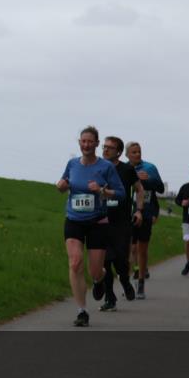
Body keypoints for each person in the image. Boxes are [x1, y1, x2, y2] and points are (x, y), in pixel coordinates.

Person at [55, 126, 125, 327]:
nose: (86, 145)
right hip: (74, 220)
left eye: (90, 142)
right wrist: (60, 186)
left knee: (95, 270)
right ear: (79, 142)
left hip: (97, 223)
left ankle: (100, 278)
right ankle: (82, 311)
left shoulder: (106, 167)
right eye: (83, 141)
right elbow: (65, 183)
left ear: (96, 143)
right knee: (75, 262)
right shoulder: (72, 164)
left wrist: (102, 190)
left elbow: (120, 193)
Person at [97, 136, 144, 310]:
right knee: (105, 262)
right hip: (101, 221)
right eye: (104, 146)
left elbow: (139, 189)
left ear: (118, 152)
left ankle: (124, 280)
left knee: (120, 260)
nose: (105, 150)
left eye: (110, 147)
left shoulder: (127, 169)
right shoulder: (97, 168)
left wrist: (138, 210)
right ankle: (110, 299)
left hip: (122, 222)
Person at [125, 142, 163, 298]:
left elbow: (160, 188)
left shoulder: (149, 167)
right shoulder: (123, 168)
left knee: (141, 249)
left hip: (146, 212)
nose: (137, 154)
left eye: (139, 152)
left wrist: (147, 180)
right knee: (130, 249)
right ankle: (127, 281)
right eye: (133, 152)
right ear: (126, 154)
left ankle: (141, 283)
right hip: (127, 213)